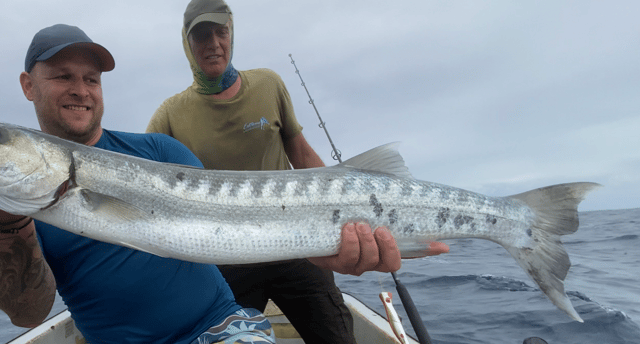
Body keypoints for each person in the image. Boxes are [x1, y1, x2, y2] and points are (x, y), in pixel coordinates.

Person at [0, 24, 426, 343]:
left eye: (92, 79)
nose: (80, 88)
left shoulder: (161, 152)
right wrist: (5, 225)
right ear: (27, 85)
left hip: (225, 329)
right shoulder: (6, 206)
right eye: (62, 76)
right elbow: (26, 313)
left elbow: (229, 229)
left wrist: (317, 247)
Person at [146, 1, 449, 343]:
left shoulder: (268, 85)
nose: (213, 43)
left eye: (221, 32)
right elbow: (147, 186)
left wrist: (351, 217)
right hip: (225, 263)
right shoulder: (168, 115)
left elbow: (303, 155)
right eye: (202, 34)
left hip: (298, 249)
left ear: (232, 34)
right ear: (186, 42)